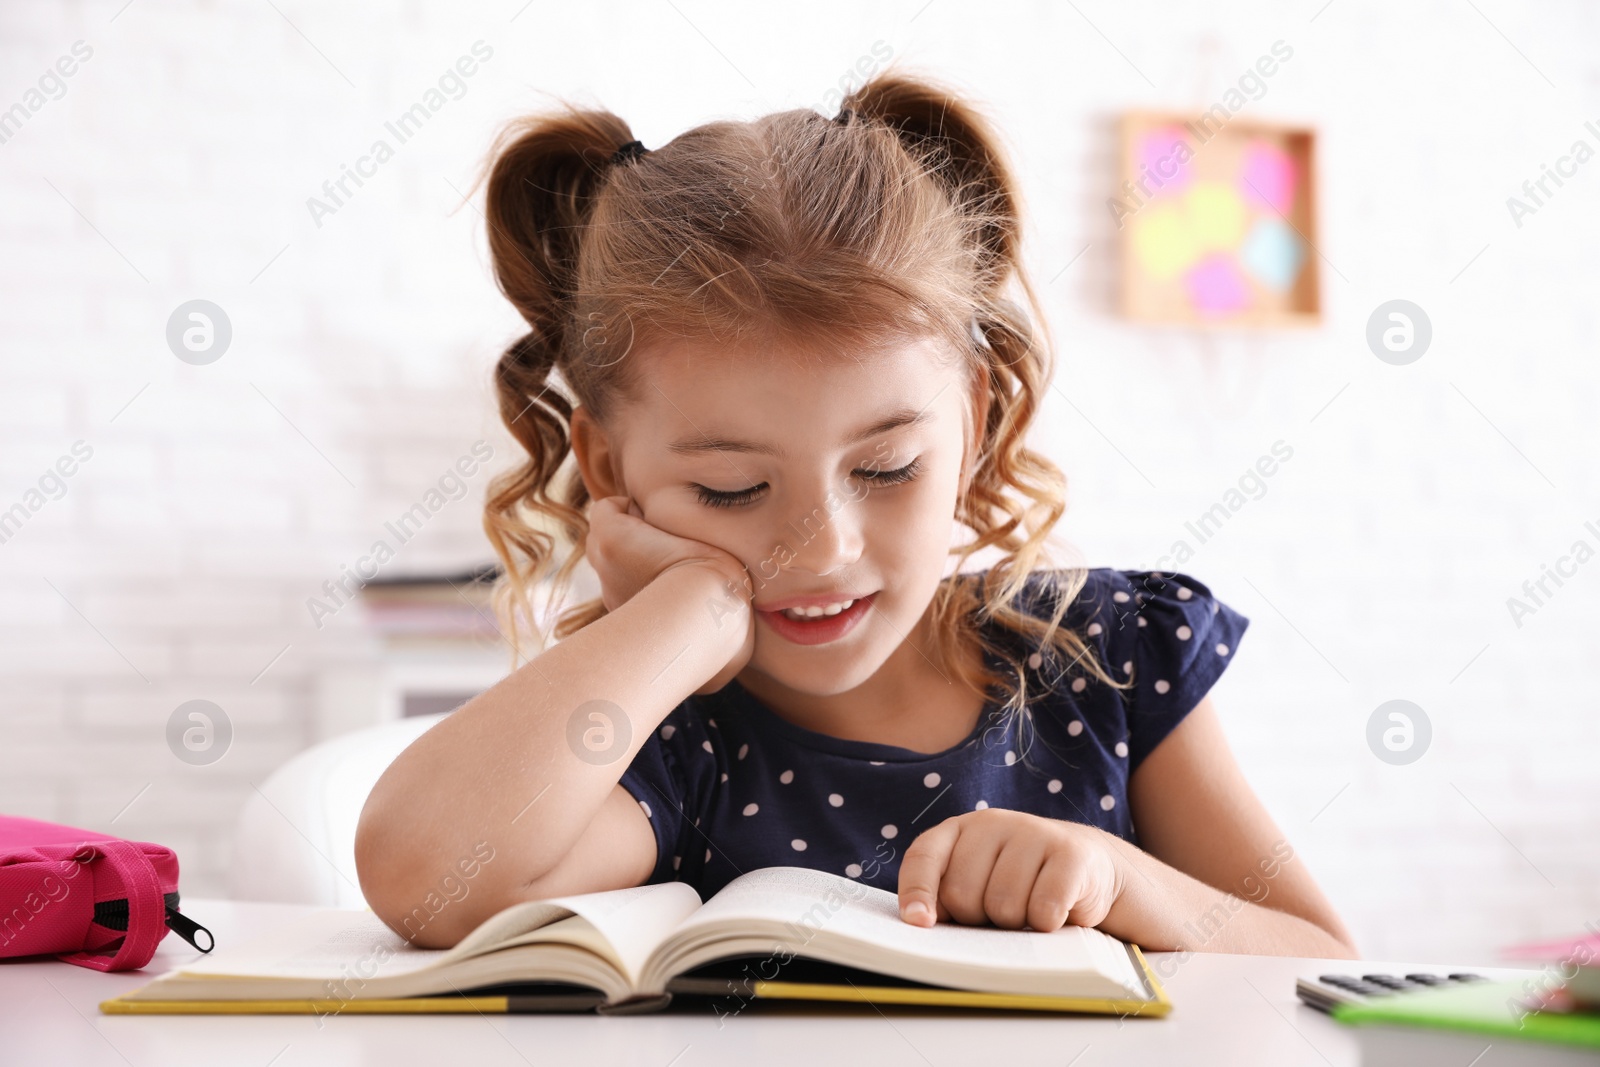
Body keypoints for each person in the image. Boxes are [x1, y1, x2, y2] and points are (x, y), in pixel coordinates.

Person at [355, 69, 1358, 959]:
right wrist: (686, 610)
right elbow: (421, 874)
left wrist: (1122, 877)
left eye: (885, 467)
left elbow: (1315, 954)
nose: (824, 547)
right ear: (611, 469)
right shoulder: (678, 737)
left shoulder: (1101, 654)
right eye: (732, 491)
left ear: (967, 425)